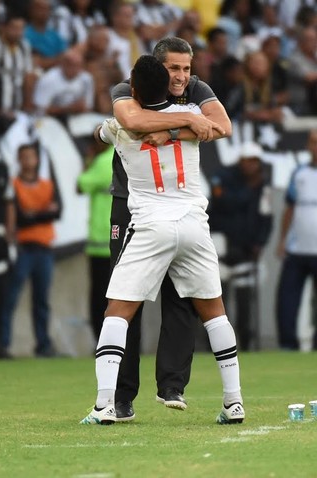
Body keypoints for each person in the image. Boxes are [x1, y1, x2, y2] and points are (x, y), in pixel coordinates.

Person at [80, 54, 245, 426]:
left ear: (133, 89)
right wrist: (188, 120)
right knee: (214, 312)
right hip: (193, 224)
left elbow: (105, 131)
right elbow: (217, 127)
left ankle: (105, 404)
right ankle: (233, 401)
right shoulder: (194, 120)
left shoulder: (124, 124)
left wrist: (128, 124)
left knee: (117, 312)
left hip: (151, 225)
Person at [210, 141, 273, 351]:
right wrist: (248, 189)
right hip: (220, 248)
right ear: (241, 160)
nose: (251, 166)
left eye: (255, 161)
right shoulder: (223, 176)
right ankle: (217, 346)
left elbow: (266, 215)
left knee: (245, 300)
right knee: (219, 299)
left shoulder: (262, 185)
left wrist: (260, 243)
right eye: (248, 161)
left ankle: (246, 343)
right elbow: (225, 203)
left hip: (245, 249)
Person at [1, 143, 62, 357]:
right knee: (10, 297)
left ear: (37, 160)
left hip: (44, 248)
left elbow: (56, 212)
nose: (28, 161)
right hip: (23, 248)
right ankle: (3, 344)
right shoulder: (14, 184)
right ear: (19, 160)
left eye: (31, 157)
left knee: (42, 300)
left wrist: (32, 213)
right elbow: (19, 216)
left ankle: (43, 345)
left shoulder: (46, 184)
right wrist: (42, 212)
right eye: (24, 157)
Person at [276, 129, 317, 351]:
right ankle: (287, 344)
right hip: (297, 248)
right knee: (287, 300)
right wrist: (282, 240)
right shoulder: (299, 173)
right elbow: (289, 209)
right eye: (312, 143)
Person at [77, 139, 114, 341]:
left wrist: (88, 161)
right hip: (123, 242)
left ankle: (101, 341)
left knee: (100, 297)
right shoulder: (121, 158)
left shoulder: (102, 161)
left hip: (102, 244)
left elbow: (80, 185)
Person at [0, 148, 16, 359]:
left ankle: (0, 345)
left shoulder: (1, 167)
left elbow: (9, 200)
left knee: (1, 296)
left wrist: (10, 234)